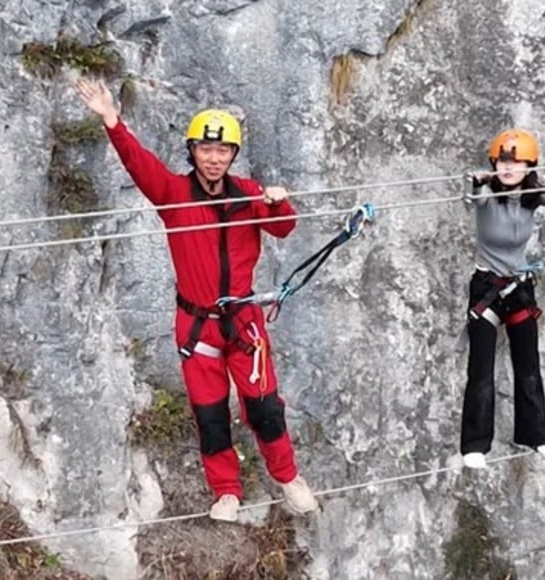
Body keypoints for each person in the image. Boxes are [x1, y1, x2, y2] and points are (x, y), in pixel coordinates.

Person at [74, 78, 317, 522]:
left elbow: (284, 229)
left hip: (243, 320)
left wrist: (280, 203)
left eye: (223, 151)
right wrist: (112, 119)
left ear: (232, 156)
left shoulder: (248, 193)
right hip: (196, 324)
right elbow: (137, 163)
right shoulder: (173, 195)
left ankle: (287, 478)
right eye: (206, 150)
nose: (213, 158)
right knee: (210, 415)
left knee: (264, 407)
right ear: (193, 151)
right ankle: (226, 491)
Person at [460, 128, 545, 469]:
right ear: (494, 164)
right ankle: (475, 444)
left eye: (516, 162)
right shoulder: (487, 192)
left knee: (528, 366)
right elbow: (475, 200)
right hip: (486, 289)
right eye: (503, 161)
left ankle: (538, 436)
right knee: (481, 370)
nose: (508, 168)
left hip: (518, 287)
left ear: (529, 166)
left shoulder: (535, 194)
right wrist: (476, 182)